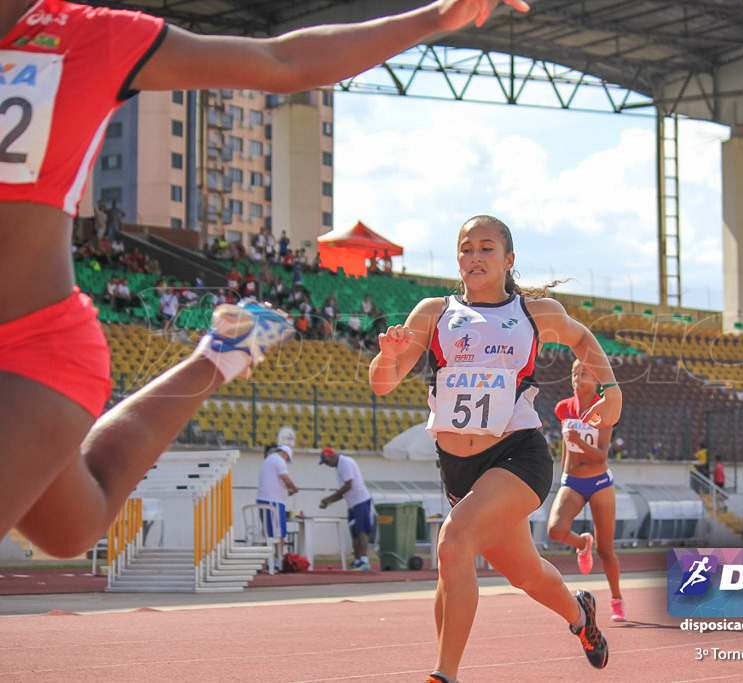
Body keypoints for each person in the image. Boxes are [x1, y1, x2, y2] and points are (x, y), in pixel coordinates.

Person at [0, 0, 530, 560]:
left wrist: (432, 19)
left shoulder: (87, 36)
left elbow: (284, 62)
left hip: (29, 344)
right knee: (70, 528)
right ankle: (221, 356)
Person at [368, 215, 619, 683]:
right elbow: (383, 384)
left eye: (486, 248)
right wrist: (387, 356)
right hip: (459, 470)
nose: (475, 257)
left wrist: (611, 390)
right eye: (466, 249)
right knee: (526, 574)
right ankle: (581, 616)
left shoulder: (533, 313)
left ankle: (444, 675)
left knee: (453, 542)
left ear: (508, 260)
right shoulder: (433, 313)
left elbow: (583, 338)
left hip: (517, 457)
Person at [547, 360, 625, 622]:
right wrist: (562, 473)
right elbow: (566, 449)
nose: (578, 377)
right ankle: (582, 543)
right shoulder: (564, 408)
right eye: (575, 373)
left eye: (585, 373)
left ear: (596, 380)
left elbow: (602, 456)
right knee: (555, 530)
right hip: (573, 481)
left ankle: (616, 599)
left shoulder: (604, 409)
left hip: (600, 482)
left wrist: (579, 441)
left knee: (606, 551)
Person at [318, 447, 374, 571]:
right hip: (352, 503)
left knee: (361, 531)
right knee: (354, 533)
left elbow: (348, 485)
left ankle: (364, 561)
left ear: (332, 457)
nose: (327, 465)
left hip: (360, 500)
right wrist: (329, 501)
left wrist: (329, 499)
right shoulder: (339, 466)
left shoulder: (346, 463)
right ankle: (358, 560)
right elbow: (344, 492)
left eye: (326, 462)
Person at [256, 445, 299, 568]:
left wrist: (287, 491)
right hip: (273, 501)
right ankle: (278, 561)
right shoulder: (279, 460)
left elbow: (274, 483)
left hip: (264, 499)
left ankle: (261, 562)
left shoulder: (268, 460)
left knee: (267, 533)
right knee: (279, 533)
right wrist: (294, 488)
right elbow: (285, 478)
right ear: (285, 453)